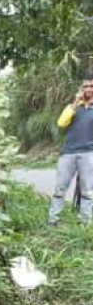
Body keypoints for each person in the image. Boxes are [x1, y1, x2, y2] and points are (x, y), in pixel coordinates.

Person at [49, 78, 93, 226]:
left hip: (89, 153)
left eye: (91, 86)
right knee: (60, 188)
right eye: (85, 86)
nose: (88, 89)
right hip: (68, 153)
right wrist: (75, 102)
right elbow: (61, 123)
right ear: (81, 89)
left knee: (88, 190)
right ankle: (53, 220)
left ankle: (84, 223)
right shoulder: (72, 107)